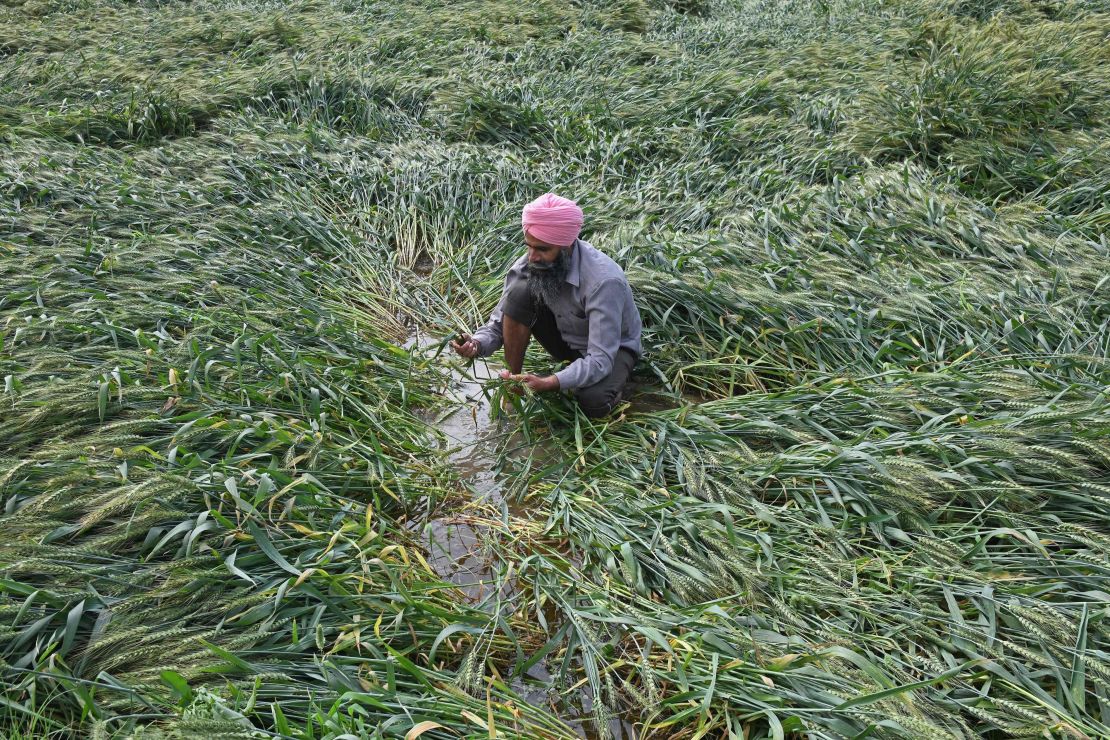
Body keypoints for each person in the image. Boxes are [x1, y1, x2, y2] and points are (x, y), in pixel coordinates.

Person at [451, 193, 642, 418]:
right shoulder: (527, 265)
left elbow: (600, 359)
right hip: (566, 339)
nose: (532, 257)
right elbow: (498, 323)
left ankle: (621, 385)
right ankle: (513, 385)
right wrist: (476, 344)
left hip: (612, 350)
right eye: (529, 247)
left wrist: (550, 382)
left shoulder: (603, 281)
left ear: (567, 246)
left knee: (593, 402)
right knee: (520, 292)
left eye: (542, 249)